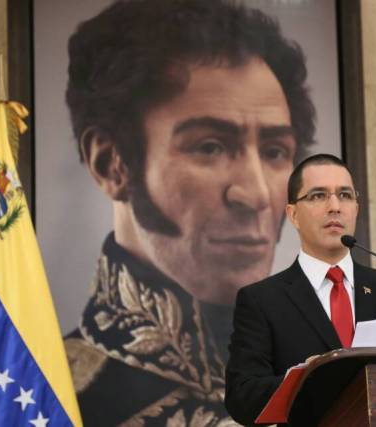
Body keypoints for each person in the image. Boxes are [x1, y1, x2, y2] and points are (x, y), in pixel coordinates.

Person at [62, 0, 316, 425]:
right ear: (111, 163)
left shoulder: (317, 380)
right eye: (210, 147)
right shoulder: (44, 396)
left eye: (275, 152)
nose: (255, 194)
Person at [225, 154, 376, 426]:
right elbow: (242, 399)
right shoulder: (262, 300)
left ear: (356, 209)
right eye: (318, 196)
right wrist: (303, 378)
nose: (335, 206)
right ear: (293, 215)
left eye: (345, 195)